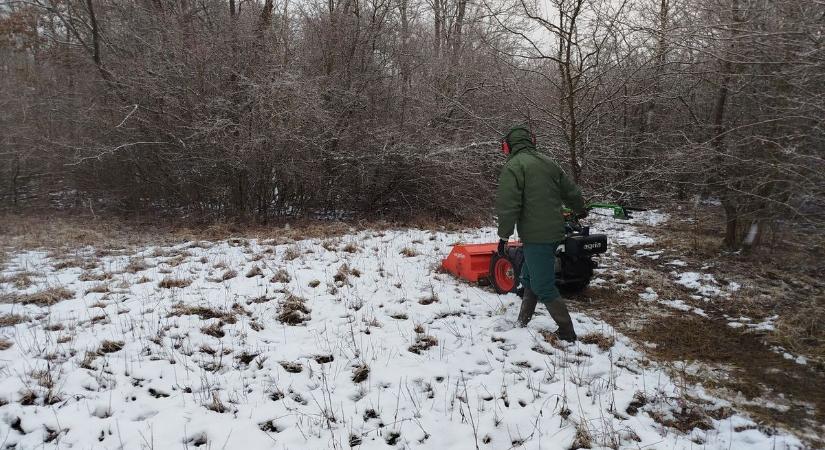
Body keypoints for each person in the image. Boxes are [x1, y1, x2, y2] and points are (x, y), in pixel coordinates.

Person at [495, 125, 587, 342]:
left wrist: (504, 236)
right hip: (555, 232)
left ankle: (567, 332)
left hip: (537, 236)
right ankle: (522, 320)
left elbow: (508, 205)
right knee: (529, 276)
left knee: (543, 285)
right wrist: (580, 208)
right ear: (531, 141)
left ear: (507, 146)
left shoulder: (514, 167)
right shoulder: (549, 163)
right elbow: (571, 191)